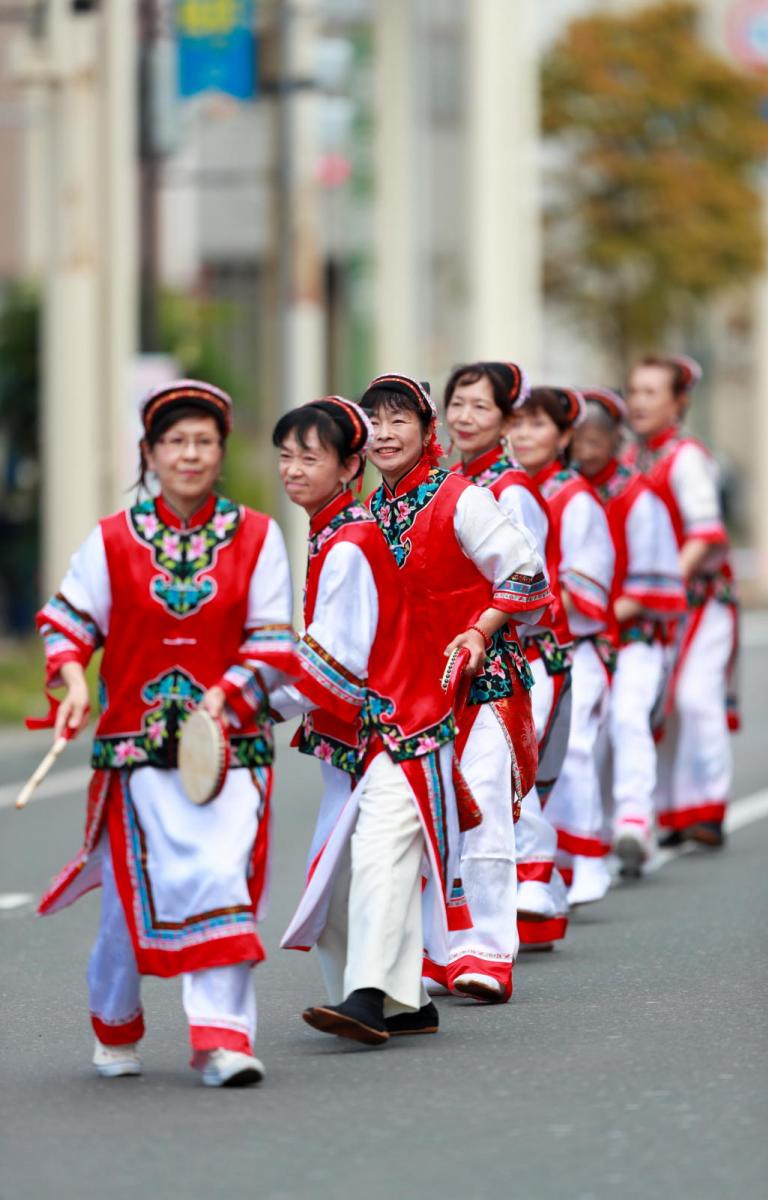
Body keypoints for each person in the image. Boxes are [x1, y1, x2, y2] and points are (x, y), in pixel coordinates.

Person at [33, 380, 297, 1087]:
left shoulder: (257, 536)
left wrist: (226, 697)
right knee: (128, 908)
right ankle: (114, 1022)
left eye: (203, 442)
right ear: (149, 453)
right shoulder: (113, 539)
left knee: (221, 883)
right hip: (138, 752)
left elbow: (273, 643)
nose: (190, 454)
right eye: (175, 442)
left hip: (228, 751)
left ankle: (222, 1041)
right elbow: (68, 620)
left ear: (221, 450)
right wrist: (77, 679)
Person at [269, 396, 477, 1045]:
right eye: (285, 456)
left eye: (310, 456)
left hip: (403, 727)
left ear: (346, 465)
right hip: (379, 730)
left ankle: (364, 997)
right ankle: (405, 1000)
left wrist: (251, 702)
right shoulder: (335, 530)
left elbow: (335, 657)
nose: (293, 469)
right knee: (332, 873)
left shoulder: (350, 540)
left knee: (379, 856)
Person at [360, 373, 552, 1003]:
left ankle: (490, 952)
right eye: (375, 422)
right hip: (413, 695)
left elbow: (525, 569)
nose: (385, 434)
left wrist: (479, 630)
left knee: (486, 814)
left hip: (483, 681)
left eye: (399, 421)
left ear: (426, 432)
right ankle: (440, 951)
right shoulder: (368, 513)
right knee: (424, 822)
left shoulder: (460, 496)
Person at [443, 360, 572, 949]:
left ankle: (533, 885)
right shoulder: (457, 481)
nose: (466, 417)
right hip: (464, 657)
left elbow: (528, 586)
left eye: (481, 407)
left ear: (505, 421)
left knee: (501, 780)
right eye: (458, 403)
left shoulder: (509, 491)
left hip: (520, 655)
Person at [507, 386, 616, 906]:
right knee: (522, 760)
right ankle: (543, 874)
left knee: (569, 750)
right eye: (518, 423)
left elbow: (587, 585)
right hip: (517, 644)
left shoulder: (575, 497)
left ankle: (585, 858)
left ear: (564, 436)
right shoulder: (504, 488)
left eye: (538, 424)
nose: (524, 434)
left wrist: (522, 607)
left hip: (568, 647)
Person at [625, 356, 739, 848]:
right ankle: (673, 810)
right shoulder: (632, 456)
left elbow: (705, 533)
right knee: (660, 705)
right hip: (661, 604)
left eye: (652, 392)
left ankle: (708, 806)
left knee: (695, 697)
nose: (639, 402)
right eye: (634, 391)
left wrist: (664, 580)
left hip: (703, 601)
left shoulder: (686, 456)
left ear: (678, 403)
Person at [571, 387, 686, 875]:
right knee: (580, 733)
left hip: (633, 637)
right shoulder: (564, 490)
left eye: (598, 433)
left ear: (617, 437)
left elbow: (649, 584)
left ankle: (634, 819)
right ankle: (586, 831)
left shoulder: (638, 496)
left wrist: (595, 617)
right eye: (580, 434)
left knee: (627, 715)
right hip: (585, 638)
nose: (588, 442)